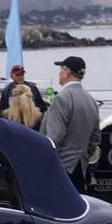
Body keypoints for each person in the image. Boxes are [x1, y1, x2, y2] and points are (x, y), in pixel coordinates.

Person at [40, 56, 100, 192]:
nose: (59, 72)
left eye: (61, 68)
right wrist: (83, 155)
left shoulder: (62, 98)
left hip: (61, 168)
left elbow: (55, 137)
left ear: (67, 71)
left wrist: (44, 162)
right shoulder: (90, 100)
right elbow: (96, 138)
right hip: (80, 166)